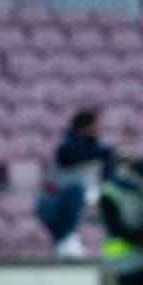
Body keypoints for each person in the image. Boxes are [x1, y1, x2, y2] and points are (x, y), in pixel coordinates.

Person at [36, 108, 114, 259]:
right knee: (75, 193)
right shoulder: (67, 146)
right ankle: (66, 241)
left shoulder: (96, 148)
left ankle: (69, 244)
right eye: (96, 125)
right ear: (84, 127)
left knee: (108, 198)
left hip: (80, 198)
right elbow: (71, 155)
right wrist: (105, 152)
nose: (99, 129)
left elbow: (107, 170)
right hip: (54, 200)